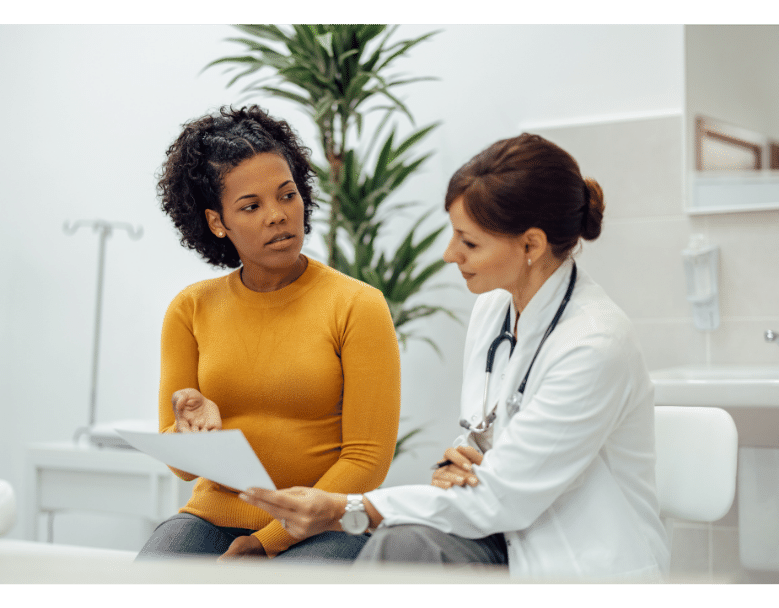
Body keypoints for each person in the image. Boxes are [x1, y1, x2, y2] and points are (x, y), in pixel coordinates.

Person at [240, 133, 670, 581]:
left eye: (468, 242)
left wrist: (344, 509)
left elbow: (499, 495)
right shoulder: (494, 310)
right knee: (401, 544)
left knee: (400, 545)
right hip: (503, 539)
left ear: (531, 246)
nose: (450, 254)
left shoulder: (594, 345)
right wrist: (456, 463)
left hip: (580, 562)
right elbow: (476, 446)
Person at [136, 105, 401, 563]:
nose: (278, 216)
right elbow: (180, 466)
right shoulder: (190, 308)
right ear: (218, 222)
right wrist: (188, 430)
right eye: (251, 206)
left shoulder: (358, 305)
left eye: (287, 195)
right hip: (211, 517)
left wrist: (265, 543)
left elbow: (367, 460)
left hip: (324, 522)